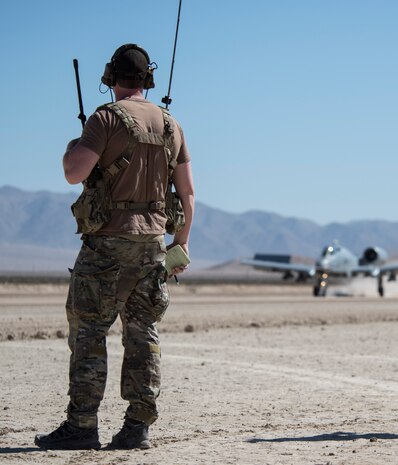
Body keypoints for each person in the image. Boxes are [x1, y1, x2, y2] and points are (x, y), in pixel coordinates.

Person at [35, 44, 195, 450]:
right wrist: (181, 243)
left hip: (107, 244)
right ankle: (137, 427)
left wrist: (73, 147)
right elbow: (189, 195)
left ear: (111, 78)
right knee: (143, 335)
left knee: (89, 331)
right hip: (153, 245)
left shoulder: (105, 119)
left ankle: (83, 426)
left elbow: (75, 173)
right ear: (148, 79)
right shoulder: (173, 126)